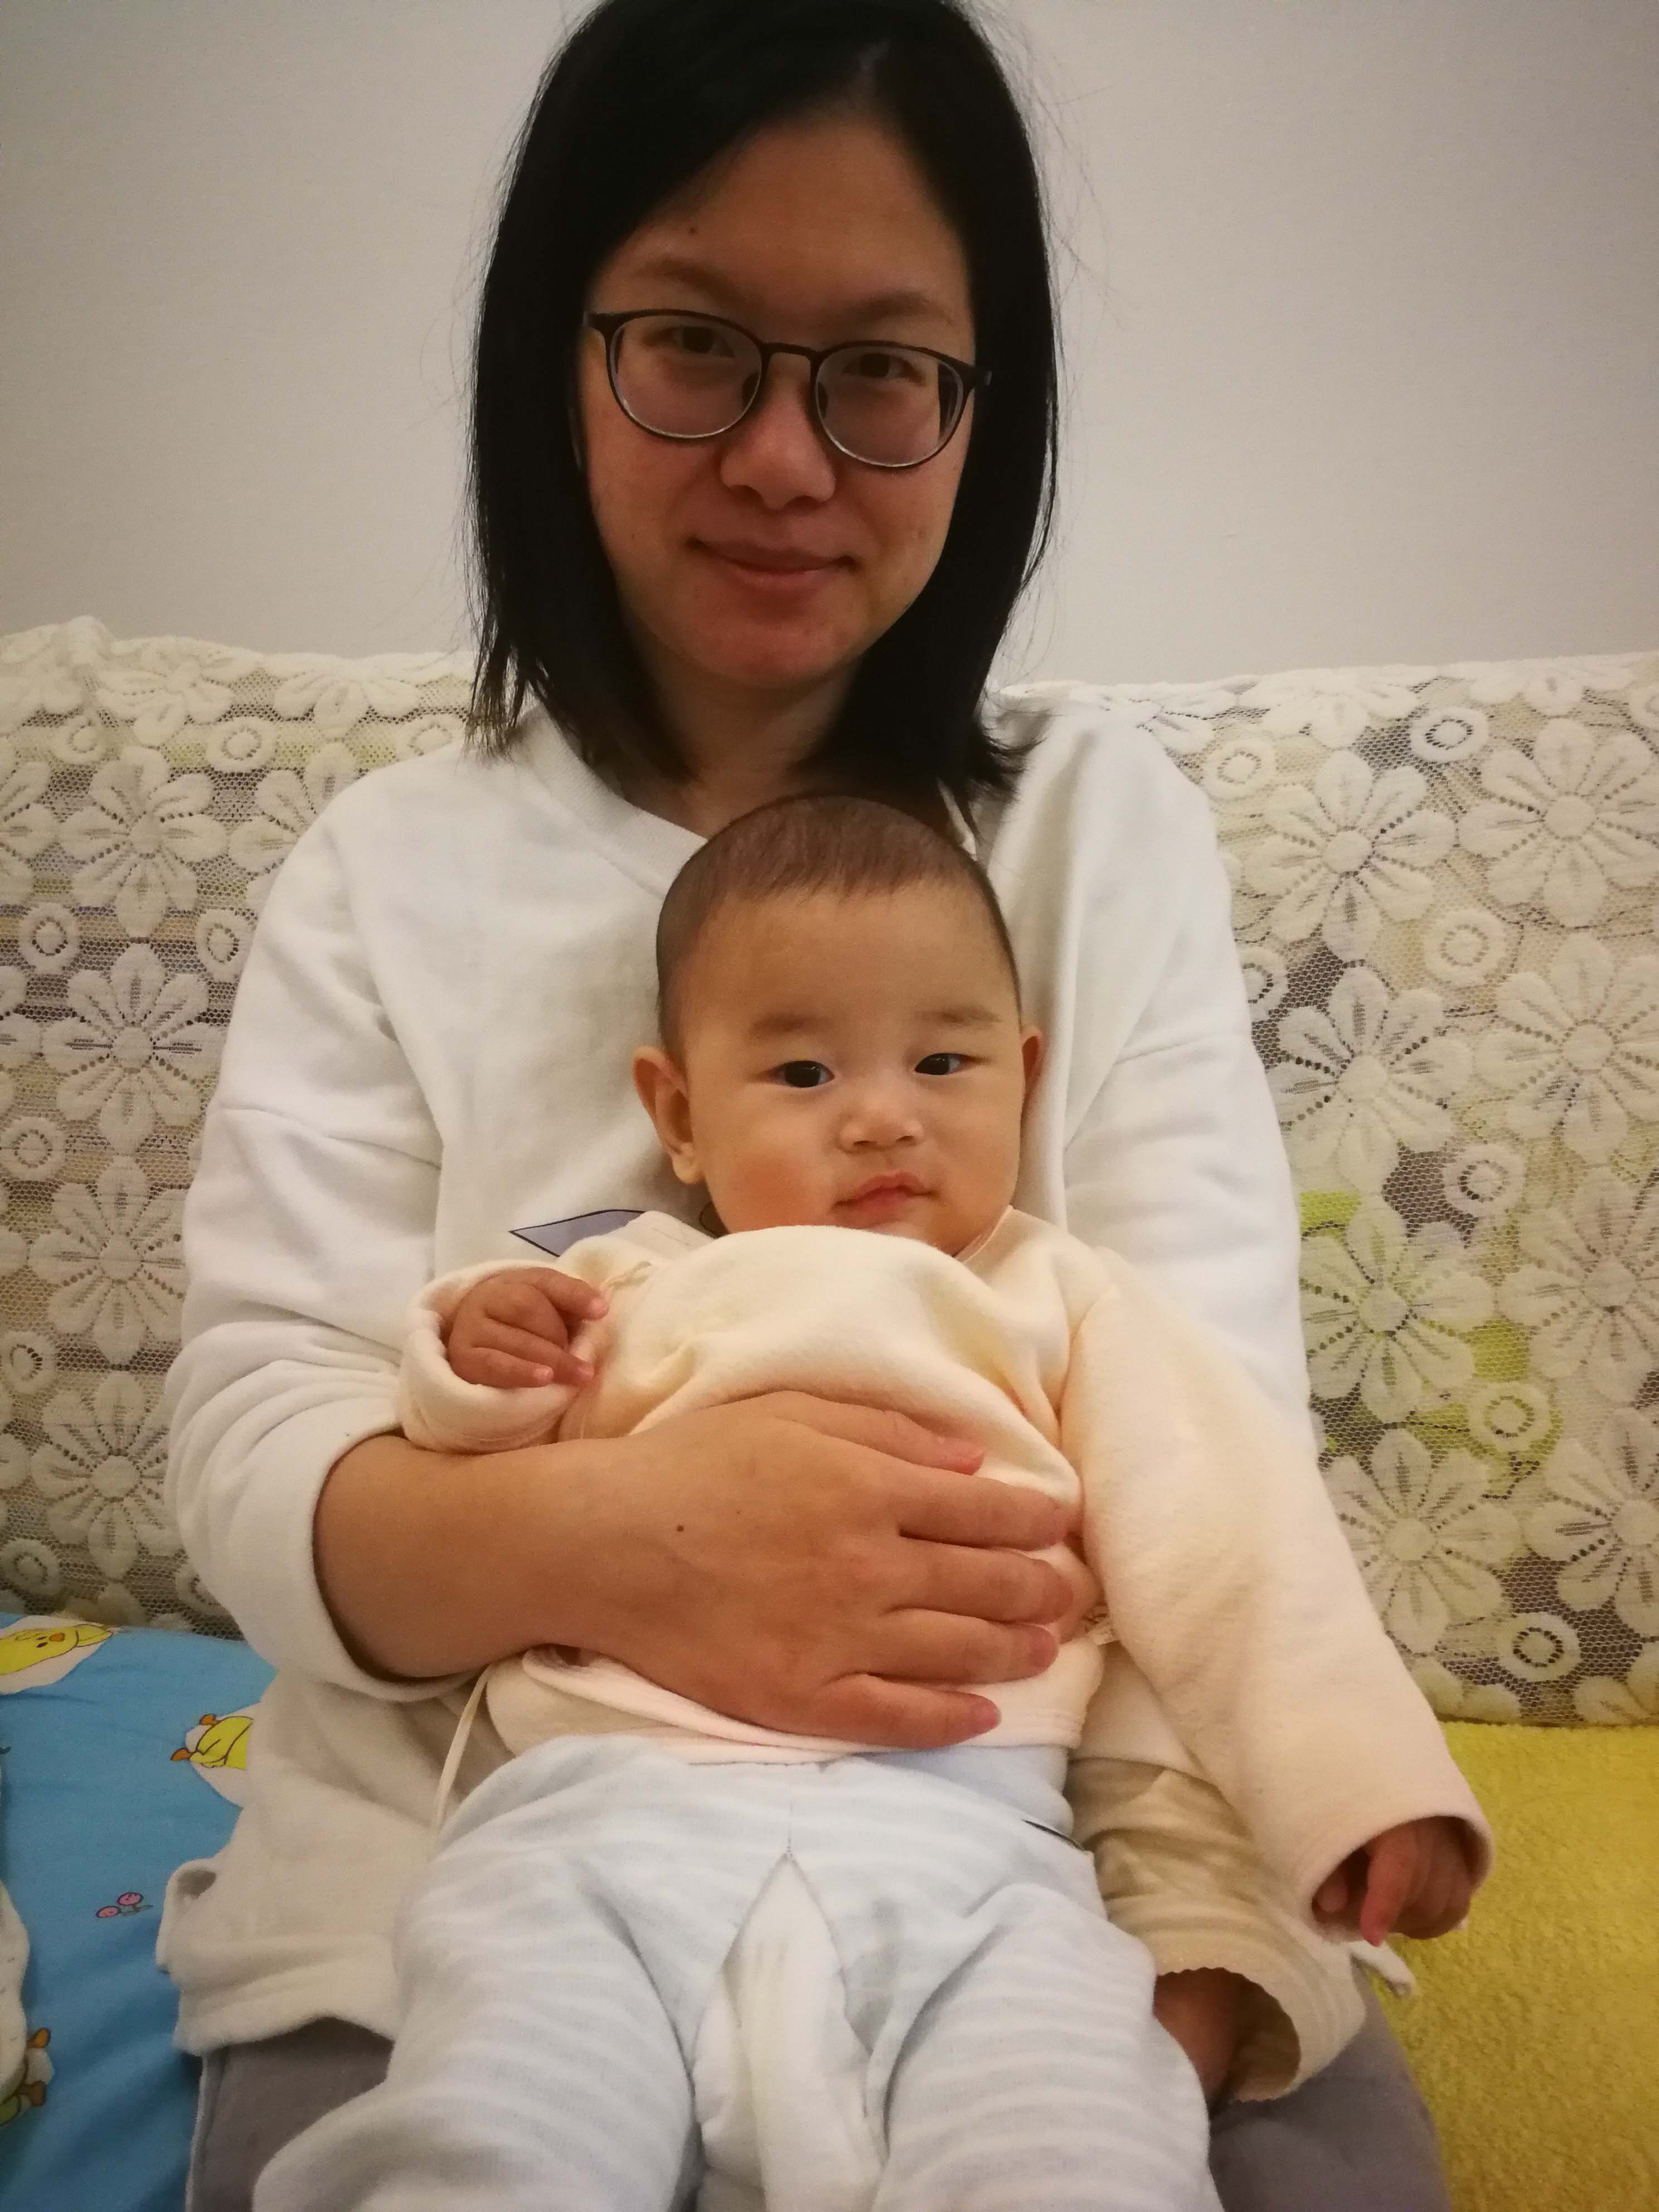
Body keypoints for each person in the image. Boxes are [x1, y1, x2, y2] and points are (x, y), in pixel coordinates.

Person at [159, 3, 1462, 2205]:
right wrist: (640, 1540)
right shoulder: (393, 867)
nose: (782, 458)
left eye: (877, 369)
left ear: (982, 402)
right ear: (554, 353)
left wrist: (1178, 1962)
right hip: (466, 1864)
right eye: (693, 345)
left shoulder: (1097, 834)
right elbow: (264, 1452)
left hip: (1034, 1858)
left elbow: (1211, 1456)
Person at [250, 796, 1487, 2212]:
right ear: (680, 1117)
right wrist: (475, 1358)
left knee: (1078, 2144)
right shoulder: (626, 1282)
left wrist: (1361, 1784)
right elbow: (464, 1462)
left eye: (944, 1061)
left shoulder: (1064, 1302)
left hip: (973, 1850)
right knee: (499, 2132)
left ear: (1023, 1077)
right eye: (802, 1071)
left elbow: (1234, 1537)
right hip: (595, 1832)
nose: (885, 1113)